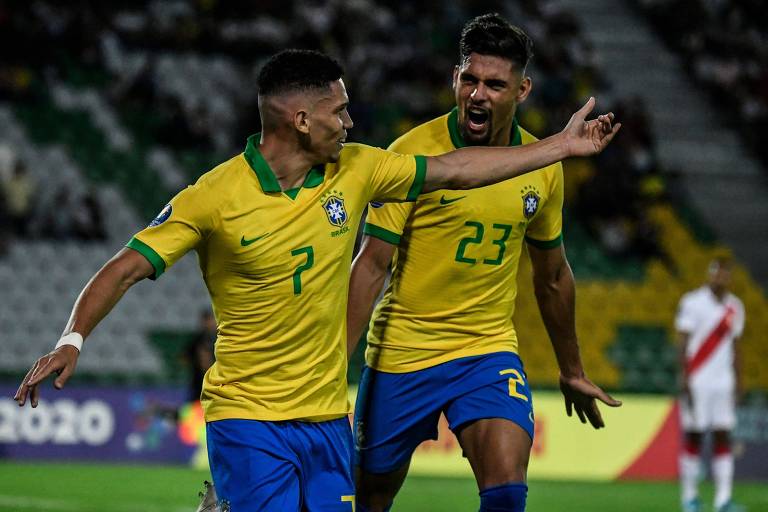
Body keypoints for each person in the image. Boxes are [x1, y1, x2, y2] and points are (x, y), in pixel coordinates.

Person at [15, 49, 619, 511]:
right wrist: (73, 340)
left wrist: (559, 149)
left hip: (326, 419)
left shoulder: (357, 170)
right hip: (249, 420)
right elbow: (124, 268)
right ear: (302, 120)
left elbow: (456, 170)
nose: (351, 122)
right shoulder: (214, 197)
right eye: (339, 111)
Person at [348, 14, 621, 512]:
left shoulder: (543, 168)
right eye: (469, 79)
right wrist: (331, 363)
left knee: (506, 492)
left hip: (486, 351)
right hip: (402, 353)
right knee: (366, 501)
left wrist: (572, 368)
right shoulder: (412, 154)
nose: (478, 95)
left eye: (495, 84)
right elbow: (371, 265)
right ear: (455, 78)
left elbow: (554, 276)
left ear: (522, 90)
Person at [676, 257, 745, 512]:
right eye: (716, 273)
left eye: (724, 273)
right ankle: (689, 498)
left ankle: (723, 500)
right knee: (694, 435)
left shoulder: (735, 307)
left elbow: (736, 348)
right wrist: (684, 379)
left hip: (723, 382)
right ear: (709, 275)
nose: (720, 278)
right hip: (698, 380)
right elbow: (682, 342)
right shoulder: (692, 303)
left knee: (723, 435)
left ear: (730, 276)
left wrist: (740, 382)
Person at [186, 309, 217, 404]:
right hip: (198, 381)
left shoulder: (219, 338)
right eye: (206, 320)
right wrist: (196, 362)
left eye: (210, 320)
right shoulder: (197, 339)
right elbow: (185, 356)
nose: (209, 323)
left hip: (215, 380)